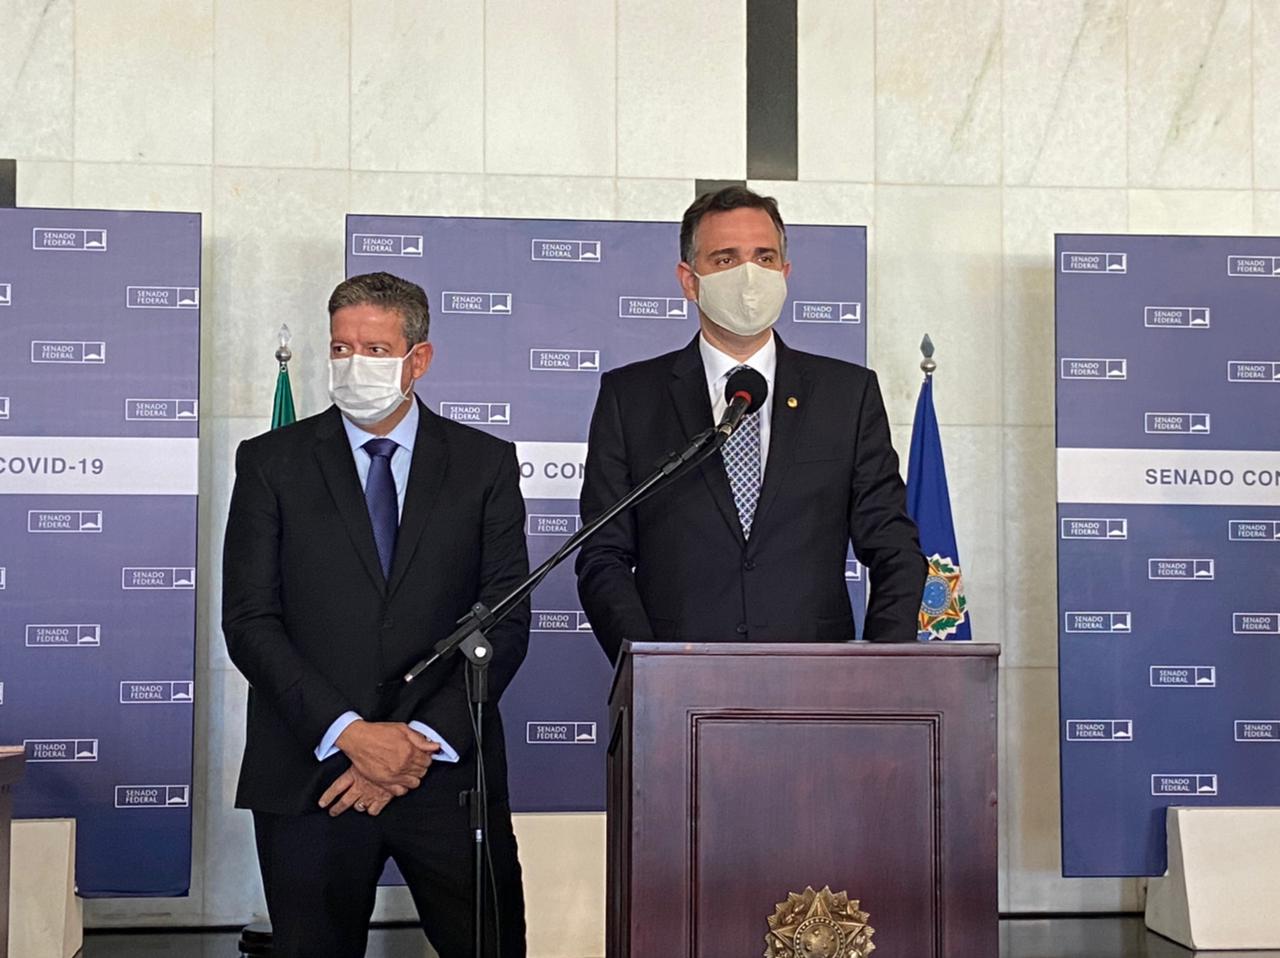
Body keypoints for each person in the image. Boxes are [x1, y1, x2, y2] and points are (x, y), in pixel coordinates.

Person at [223, 271, 529, 958]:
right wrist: (349, 734)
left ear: (418, 359)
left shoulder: (484, 464)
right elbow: (249, 621)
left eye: (374, 350)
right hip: (311, 776)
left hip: (447, 774)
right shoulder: (271, 463)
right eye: (339, 348)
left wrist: (413, 742)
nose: (352, 365)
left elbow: (504, 620)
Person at [576, 187, 926, 662]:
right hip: (677, 689)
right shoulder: (631, 397)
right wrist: (648, 664)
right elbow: (603, 556)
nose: (748, 276)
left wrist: (882, 667)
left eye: (764, 257)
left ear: (784, 273)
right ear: (689, 280)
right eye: (725, 259)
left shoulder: (847, 394)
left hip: (818, 687)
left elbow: (893, 547)